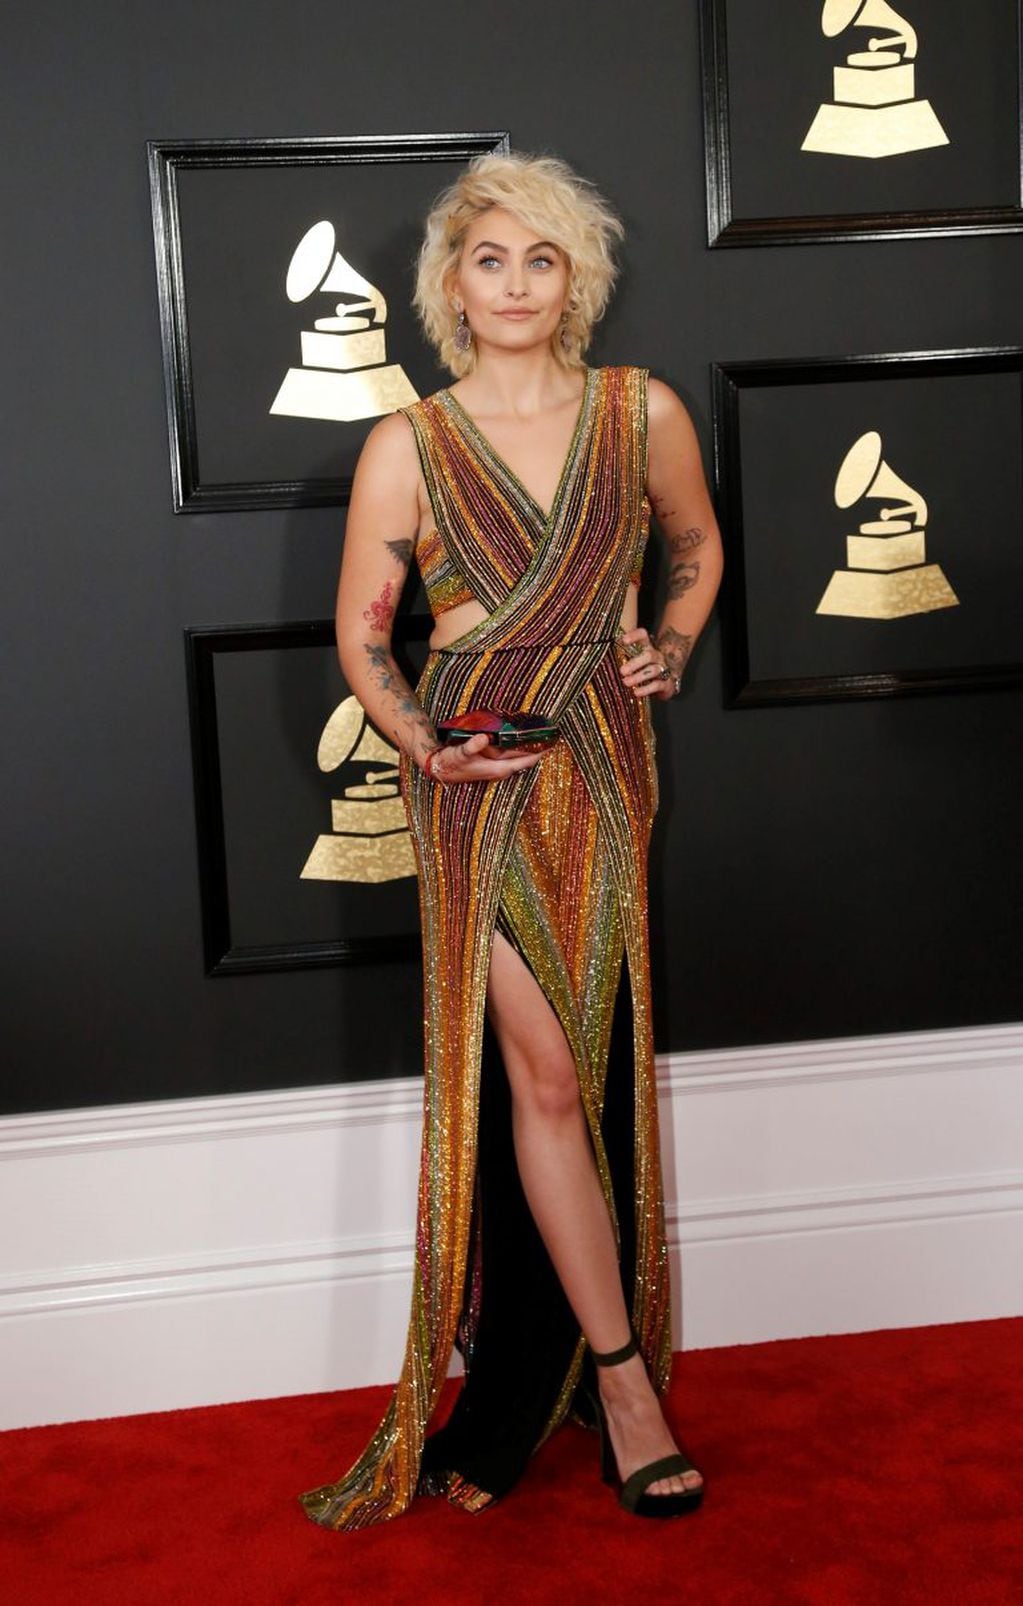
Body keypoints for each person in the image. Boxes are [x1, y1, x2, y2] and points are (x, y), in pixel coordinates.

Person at [299, 150, 724, 1531]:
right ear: (454, 285)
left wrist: (665, 643)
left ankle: (594, 1360)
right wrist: (421, 738)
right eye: (492, 259)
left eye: (542, 258)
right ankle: (621, 1379)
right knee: (541, 1076)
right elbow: (366, 639)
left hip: (604, 762)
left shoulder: (638, 408)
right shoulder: (406, 445)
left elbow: (696, 546)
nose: (518, 282)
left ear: (575, 277)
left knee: (588, 1067)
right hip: (475, 778)